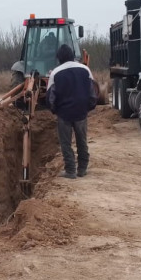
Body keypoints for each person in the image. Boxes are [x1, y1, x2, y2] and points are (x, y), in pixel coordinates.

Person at [47, 44, 96, 179]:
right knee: (82, 141)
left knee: (65, 143)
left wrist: (55, 111)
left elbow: (51, 97)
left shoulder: (55, 73)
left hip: (64, 114)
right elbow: (93, 93)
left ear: (59, 58)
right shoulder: (85, 70)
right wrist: (88, 108)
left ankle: (70, 171)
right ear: (72, 55)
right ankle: (82, 169)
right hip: (81, 112)